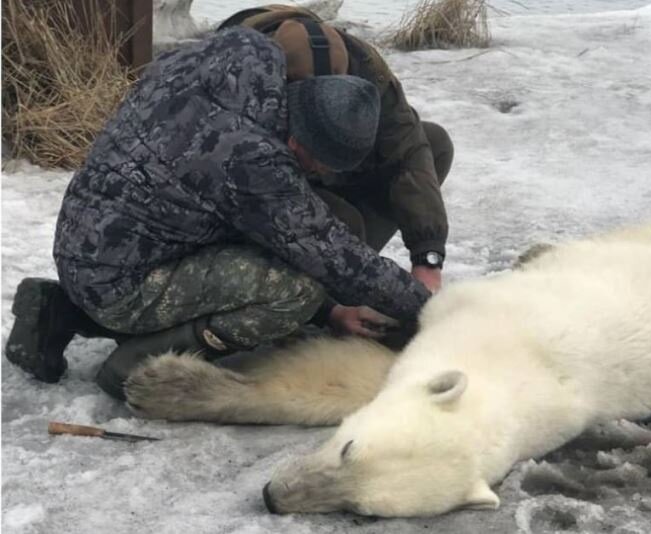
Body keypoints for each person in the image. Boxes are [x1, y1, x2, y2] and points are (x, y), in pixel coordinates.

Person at [4, 26, 433, 400]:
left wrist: (333, 312)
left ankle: (62, 311)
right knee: (297, 291)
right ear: (301, 142)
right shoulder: (251, 161)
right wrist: (433, 314)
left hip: (88, 239)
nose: (315, 176)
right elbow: (336, 258)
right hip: (121, 282)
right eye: (319, 166)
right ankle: (140, 363)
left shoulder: (243, 52)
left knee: (255, 245)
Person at [217, 5, 454, 291]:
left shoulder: (364, 66)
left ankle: (352, 277)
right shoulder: (241, 85)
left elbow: (406, 149)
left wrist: (427, 257)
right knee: (342, 222)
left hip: (319, 167)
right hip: (259, 200)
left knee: (434, 141)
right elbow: (248, 197)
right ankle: (312, 297)